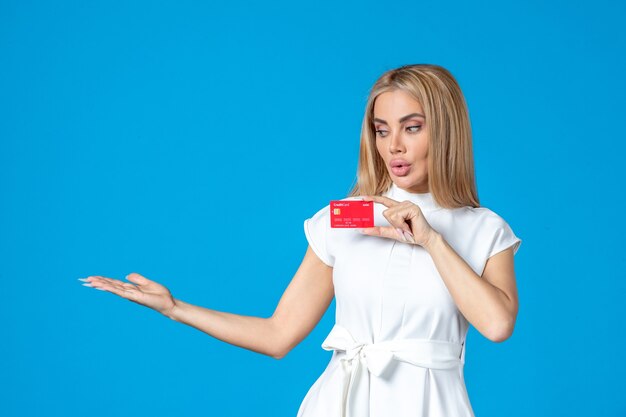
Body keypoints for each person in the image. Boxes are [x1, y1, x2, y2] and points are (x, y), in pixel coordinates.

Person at [79, 63, 522, 417]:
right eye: (382, 129)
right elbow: (278, 335)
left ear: (444, 130)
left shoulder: (482, 228)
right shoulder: (346, 216)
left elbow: (497, 325)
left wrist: (430, 239)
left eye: (412, 127)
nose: (394, 146)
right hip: (338, 403)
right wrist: (175, 309)